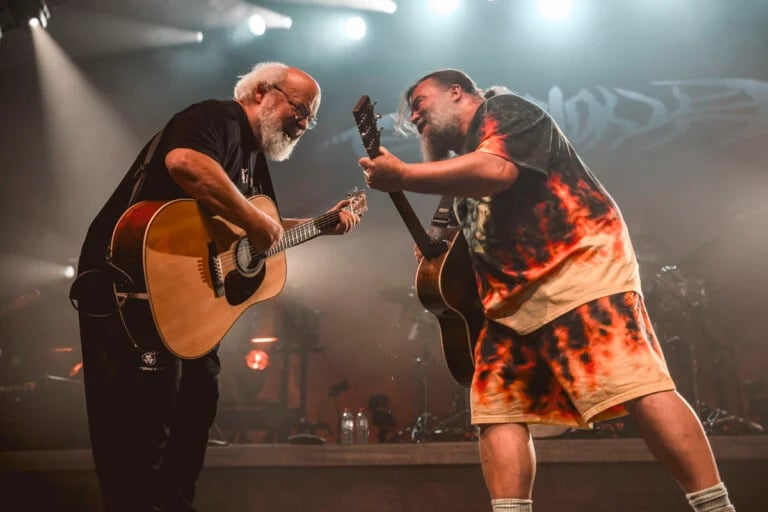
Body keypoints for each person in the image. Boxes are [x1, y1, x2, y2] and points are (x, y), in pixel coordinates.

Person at [358, 69, 735, 512]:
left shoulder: (507, 111)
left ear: (458, 92)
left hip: (579, 272)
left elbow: (497, 171)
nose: (413, 116)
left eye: (420, 102)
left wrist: (404, 174)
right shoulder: (457, 185)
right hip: (509, 305)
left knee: (637, 385)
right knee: (497, 412)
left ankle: (715, 507)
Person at [71, 62, 360, 511]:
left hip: (181, 302)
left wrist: (321, 225)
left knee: (198, 398)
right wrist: (253, 220)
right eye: (300, 108)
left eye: (311, 118)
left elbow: (260, 232)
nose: (303, 123)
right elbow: (184, 163)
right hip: (130, 287)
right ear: (263, 91)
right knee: (141, 428)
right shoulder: (216, 119)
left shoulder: (253, 157)